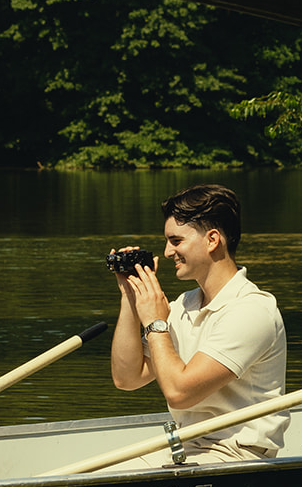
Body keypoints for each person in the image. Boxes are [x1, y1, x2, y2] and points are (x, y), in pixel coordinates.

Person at [109, 184, 287, 467]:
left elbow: (180, 393)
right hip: (186, 447)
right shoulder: (183, 306)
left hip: (235, 455)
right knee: (103, 474)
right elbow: (127, 378)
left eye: (176, 241)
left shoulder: (251, 310)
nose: (167, 252)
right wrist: (131, 299)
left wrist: (156, 323)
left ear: (212, 240)